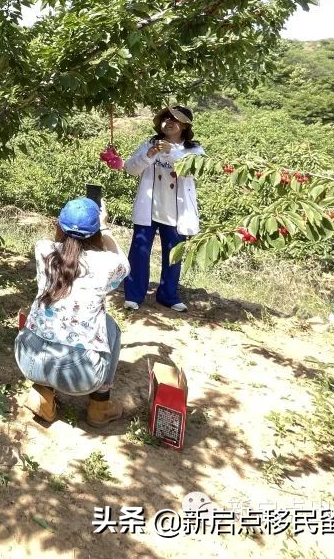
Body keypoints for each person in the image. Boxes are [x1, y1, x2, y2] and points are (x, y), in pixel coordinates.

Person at [14, 198, 127, 427]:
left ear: (58, 225)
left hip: (27, 357)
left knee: (50, 320)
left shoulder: (43, 249)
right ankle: (99, 405)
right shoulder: (106, 264)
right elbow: (124, 264)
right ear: (95, 233)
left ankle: (44, 395)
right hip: (80, 375)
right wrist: (105, 228)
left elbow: (65, 251)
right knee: (110, 327)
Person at [122, 106, 204, 312]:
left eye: (175, 119)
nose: (169, 122)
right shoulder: (150, 144)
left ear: (185, 125)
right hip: (149, 208)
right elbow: (130, 168)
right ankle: (133, 294)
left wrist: (172, 152)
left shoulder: (194, 150)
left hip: (177, 213)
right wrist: (148, 156)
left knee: (173, 254)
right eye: (166, 118)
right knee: (139, 252)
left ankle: (168, 295)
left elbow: (195, 172)